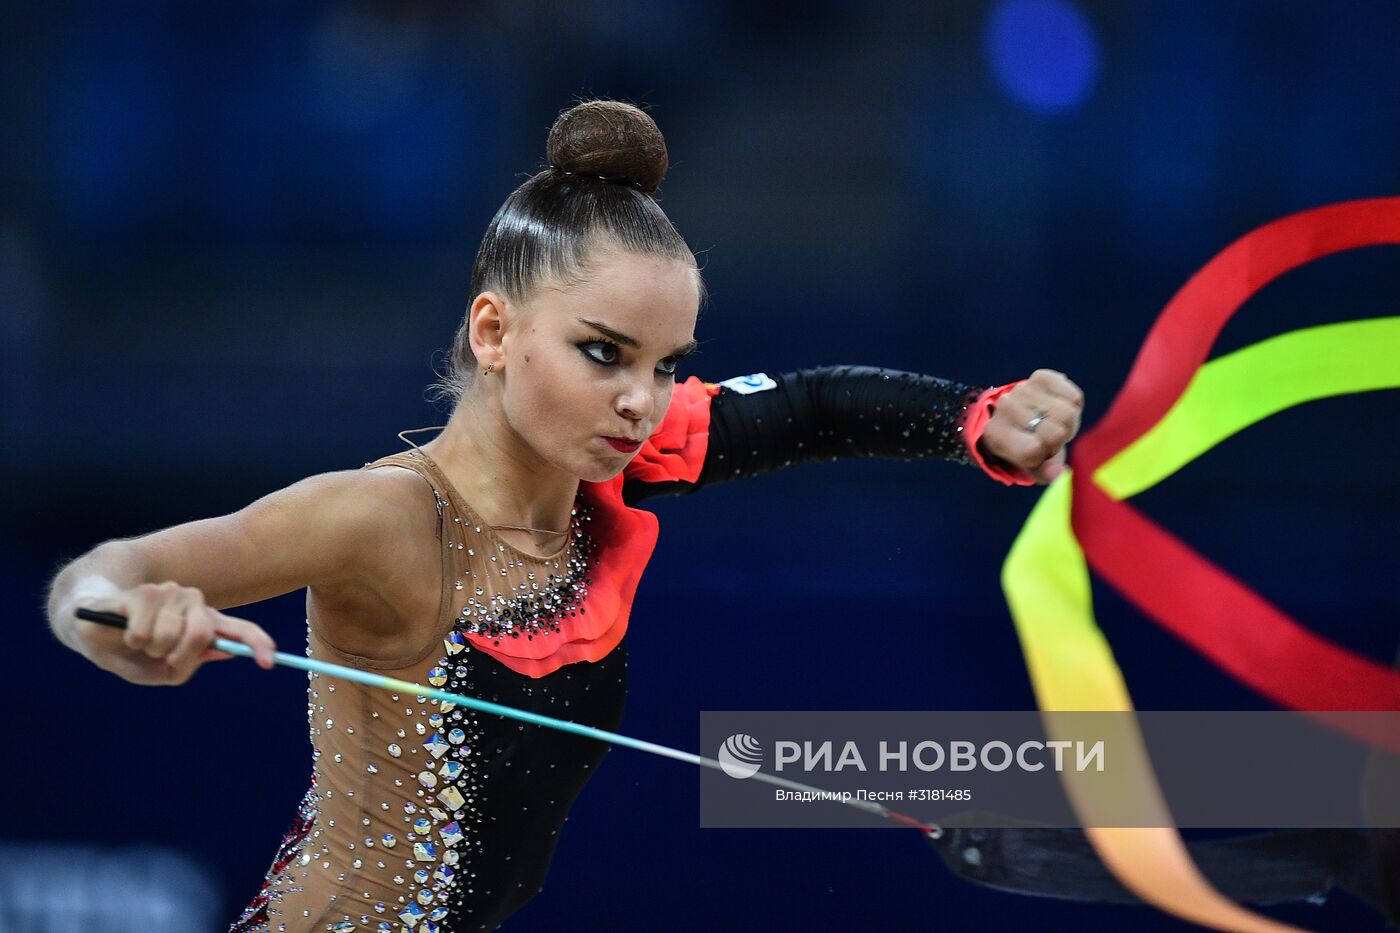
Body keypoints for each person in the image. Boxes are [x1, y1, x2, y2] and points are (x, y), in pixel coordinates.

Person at [45, 100, 1084, 932]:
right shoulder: (383, 518)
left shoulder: (616, 467)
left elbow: (809, 408)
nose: (640, 399)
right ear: (493, 331)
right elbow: (97, 576)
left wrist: (975, 421)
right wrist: (134, 621)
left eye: (666, 363)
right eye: (602, 353)